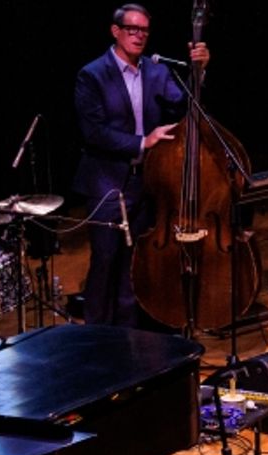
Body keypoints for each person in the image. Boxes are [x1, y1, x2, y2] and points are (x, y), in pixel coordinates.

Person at [73, 3, 209, 327]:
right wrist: (141, 142)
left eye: (144, 30)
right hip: (107, 183)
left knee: (133, 266)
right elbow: (93, 131)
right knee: (105, 261)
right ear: (116, 31)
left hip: (144, 181)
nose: (139, 36)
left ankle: (128, 339)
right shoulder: (92, 74)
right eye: (132, 29)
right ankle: (95, 337)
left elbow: (187, 104)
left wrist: (199, 72)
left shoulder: (156, 70)